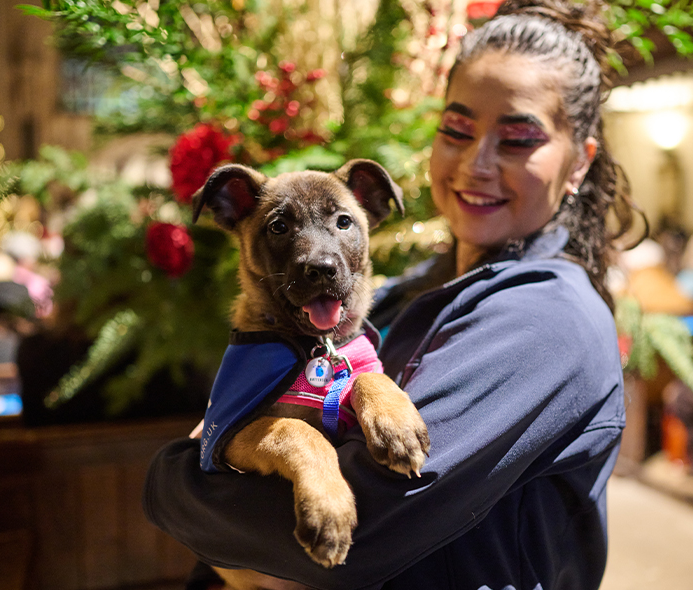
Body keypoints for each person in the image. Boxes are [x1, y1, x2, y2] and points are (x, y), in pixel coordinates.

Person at [143, 1, 641, 588]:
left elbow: (363, 531)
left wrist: (170, 482)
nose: (475, 164)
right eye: (456, 130)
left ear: (579, 162)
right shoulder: (404, 294)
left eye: (517, 140)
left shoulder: (544, 323)